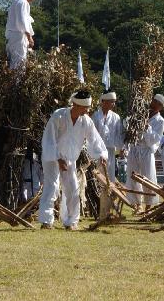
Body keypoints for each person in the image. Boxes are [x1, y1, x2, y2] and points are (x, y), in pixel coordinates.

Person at [38, 90, 108, 230]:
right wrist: (58, 158)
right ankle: (46, 221)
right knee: (52, 186)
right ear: (75, 104)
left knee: (73, 189)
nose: (87, 110)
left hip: (70, 158)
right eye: (85, 107)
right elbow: (49, 139)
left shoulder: (86, 121)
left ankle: (71, 222)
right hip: (52, 158)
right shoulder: (59, 115)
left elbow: (94, 139)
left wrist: (102, 154)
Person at [125, 94, 164, 213]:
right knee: (132, 176)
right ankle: (137, 205)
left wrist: (146, 127)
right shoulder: (139, 113)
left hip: (147, 151)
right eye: (153, 101)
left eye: (156, 103)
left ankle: (148, 206)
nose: (152, 104)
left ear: (160, 107)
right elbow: (129, 128)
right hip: (134, 148)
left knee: (148, 178)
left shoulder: (160, 121)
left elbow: (154, 139)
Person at [91, 91, 124, 182]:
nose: (113, 104)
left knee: (109, 175)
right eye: (111, 101)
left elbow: (120, 134)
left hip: (110, 151)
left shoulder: (116, 117)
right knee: (97, 175)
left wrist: (122, 148)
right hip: (97, 150)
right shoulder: (96, 116)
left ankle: (109, 195)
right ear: (104, 101)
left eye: (114, 101)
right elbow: (92, 134)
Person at [5, 0, 37, 69]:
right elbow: (22, 21)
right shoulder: (23, 2)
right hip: (19, 37)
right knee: (19, 65)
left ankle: (13, 82)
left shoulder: (16, 1)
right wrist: (29, 36)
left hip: (12, 37)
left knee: (13, 64)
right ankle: (16, 83)